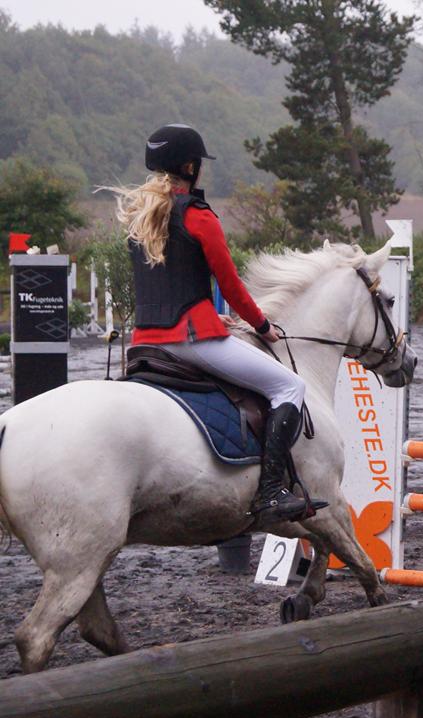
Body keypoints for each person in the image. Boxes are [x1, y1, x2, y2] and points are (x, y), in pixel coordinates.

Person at [109, 123, 313, 527]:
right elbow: (232, 285)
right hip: (190, 340)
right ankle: (271, 490)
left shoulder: (140, 218)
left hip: (146, 342)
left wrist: (205, 313)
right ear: (189, 166)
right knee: (290, 385)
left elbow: (165, 282)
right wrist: (261, 325)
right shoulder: (198, 216)